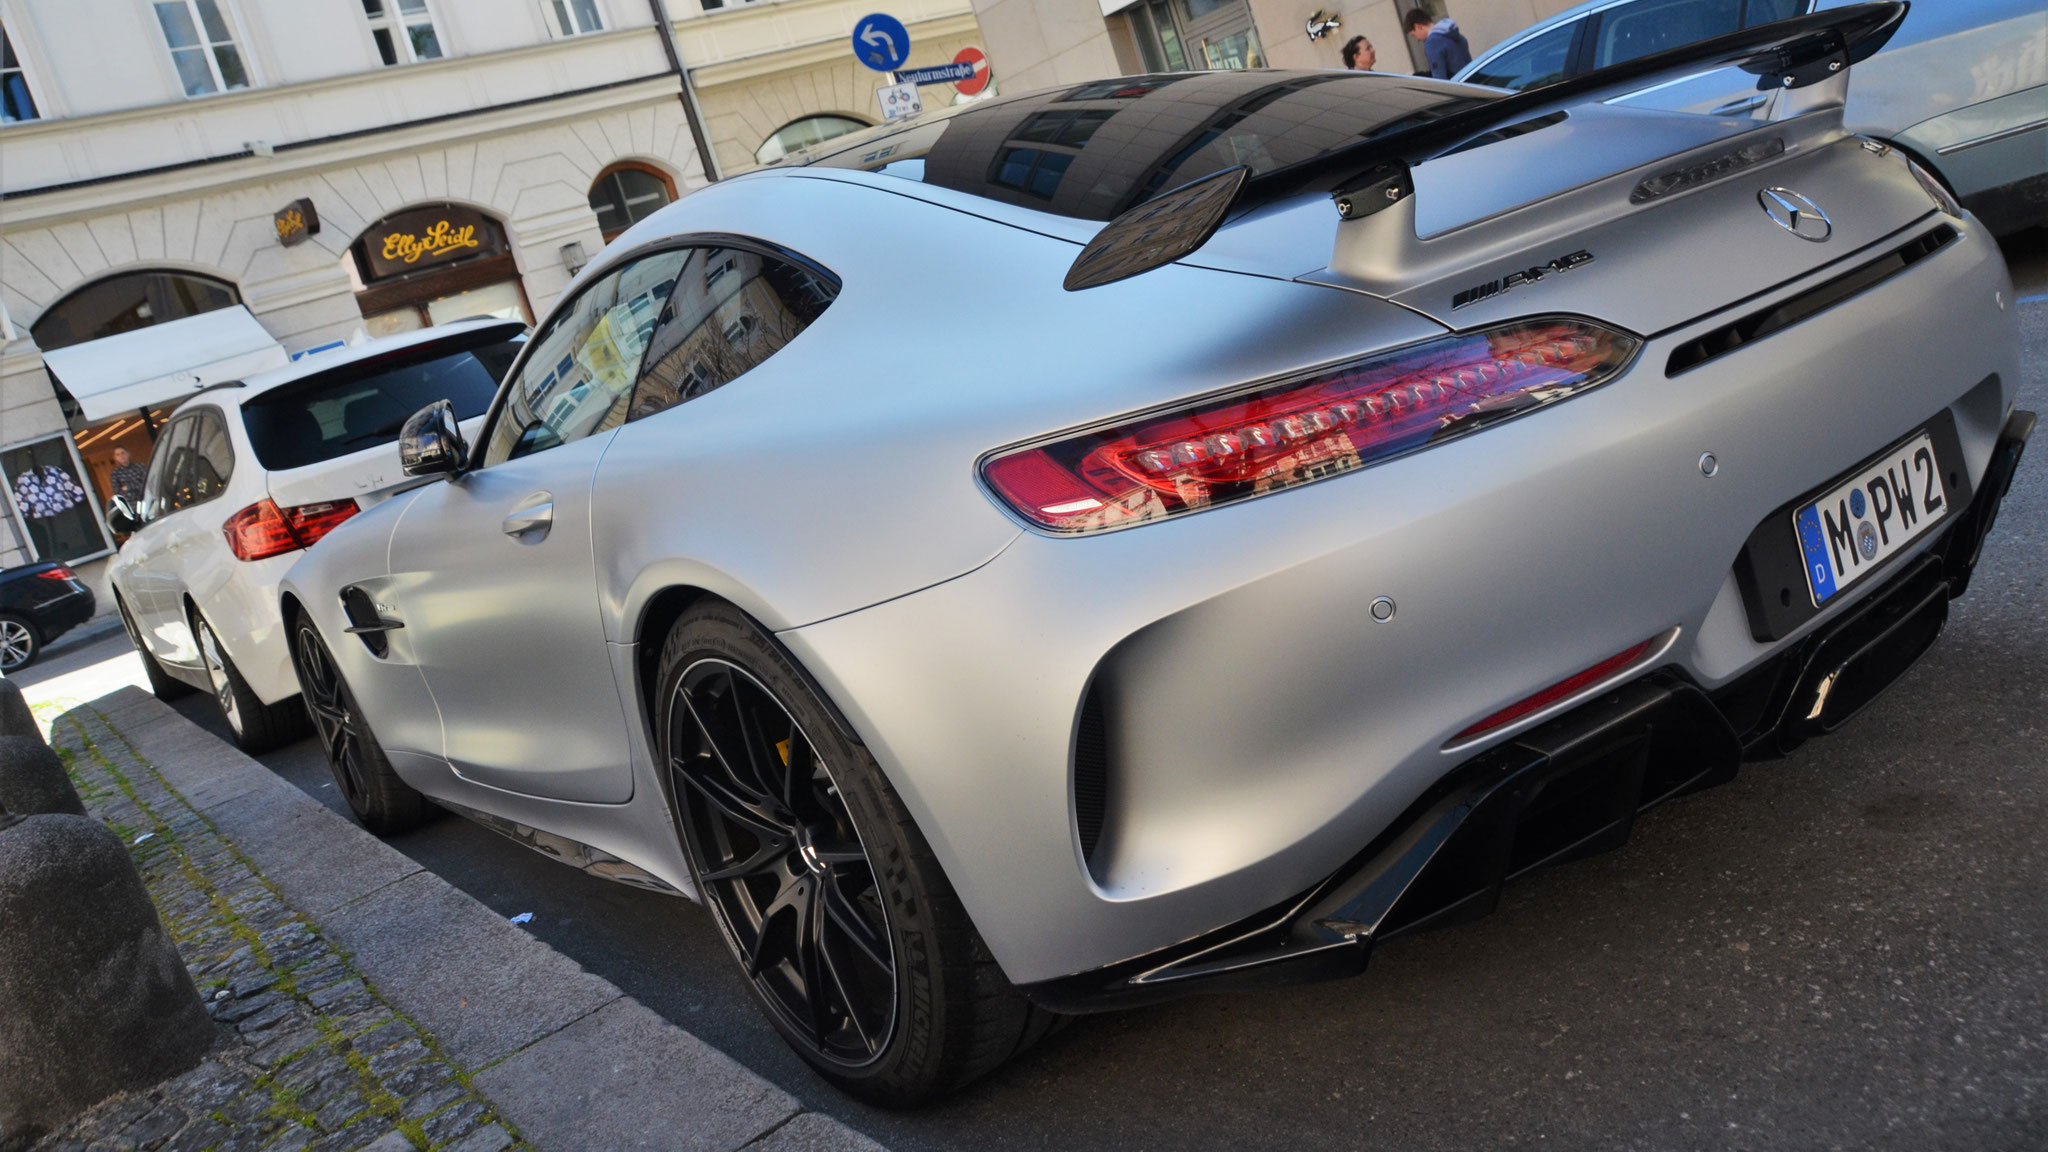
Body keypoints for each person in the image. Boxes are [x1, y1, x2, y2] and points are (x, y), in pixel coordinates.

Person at [1405, 8, 1472, 79]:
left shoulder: (1432, 43)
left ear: (1418, 26)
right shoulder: (1455, 35)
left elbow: (1439, 78)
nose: (1417, 39)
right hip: (1473, 83)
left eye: (1414, 35)